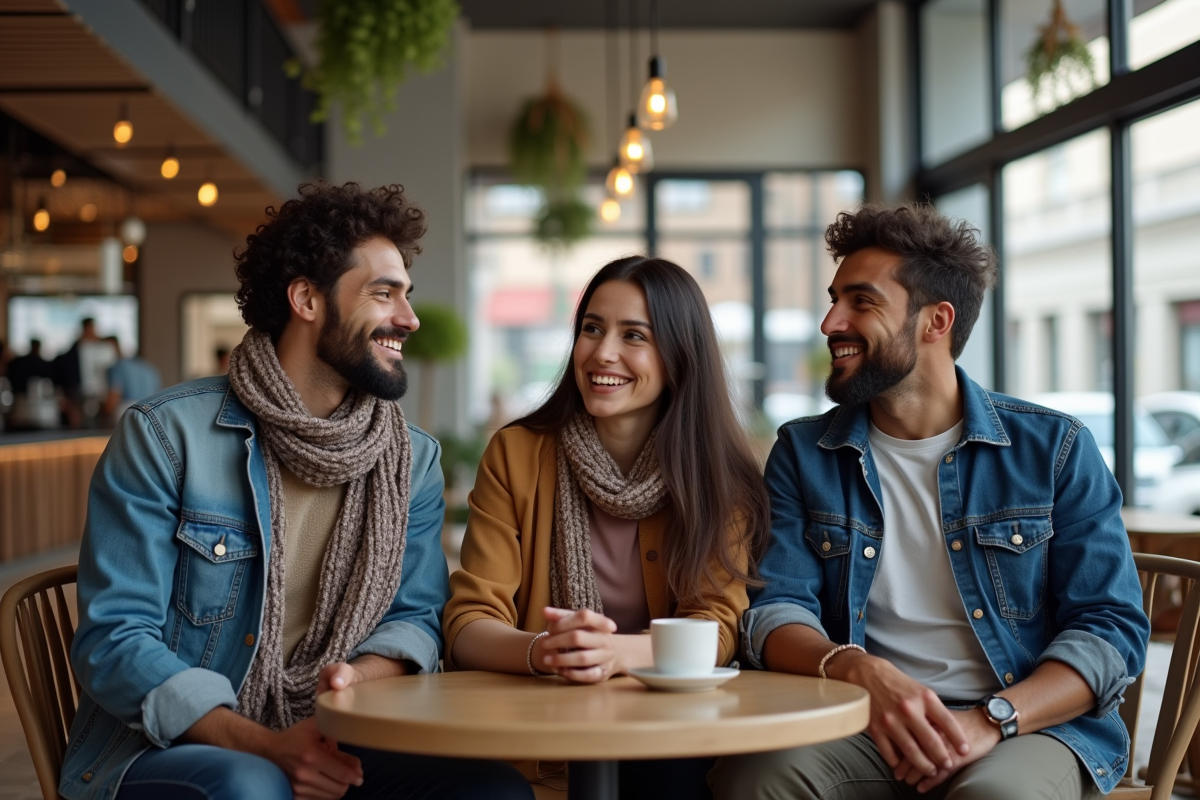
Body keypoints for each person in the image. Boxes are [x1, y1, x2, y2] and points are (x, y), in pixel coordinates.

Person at [63, 182, 533, 800]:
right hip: (174, 748)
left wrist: (356, 676)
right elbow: (116, 639)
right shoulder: (165, 436)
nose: (409, 318)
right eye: (382, 293)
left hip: (337, 730)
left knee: (491, 792)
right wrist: (267, 745)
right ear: (307, 299)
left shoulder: (411, 460)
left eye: (407, 295)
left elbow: (416, 616)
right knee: (253, 786)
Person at [711, 203, 1149, 800]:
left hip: (1025, 725)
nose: (830, 321)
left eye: (861, 302)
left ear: (935, 321)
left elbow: (1110, 630)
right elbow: (776, 609)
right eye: (834, 298)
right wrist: (859, 669)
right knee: (755, 780)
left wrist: (992, 719)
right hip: (859, 718)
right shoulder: (803, 451)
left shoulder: (1054, 448)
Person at [443, 256, 771, 799]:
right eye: (591, 328)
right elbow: (469, 621)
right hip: (537, 735)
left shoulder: (719, 476)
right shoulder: (516, 453)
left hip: (672, 740)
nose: (602, 353)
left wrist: (618, 654)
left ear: (678, 357)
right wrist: (544, 650)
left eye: (633, 335)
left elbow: (718, 625)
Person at [102, 338, 162, 420]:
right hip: (153, 414)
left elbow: (112, 402)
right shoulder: (148, 367)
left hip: (129, 414)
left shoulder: (118, 367)